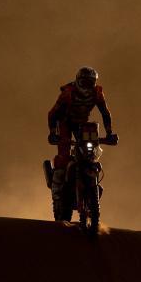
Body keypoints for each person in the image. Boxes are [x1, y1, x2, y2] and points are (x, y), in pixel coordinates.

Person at [46, 66, 115, 210]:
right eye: (85, 82)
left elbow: (105, 113)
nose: (87, 87)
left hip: (82, 124)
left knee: (91, 155)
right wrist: (53, 133)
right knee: (63, 157)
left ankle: (92, 187)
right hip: (65, 123)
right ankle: (57, 193)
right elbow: (53, 114)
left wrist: (109, 133)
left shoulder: (97, 93)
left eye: (91, 83)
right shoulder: (68, 93)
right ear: (78, 81)